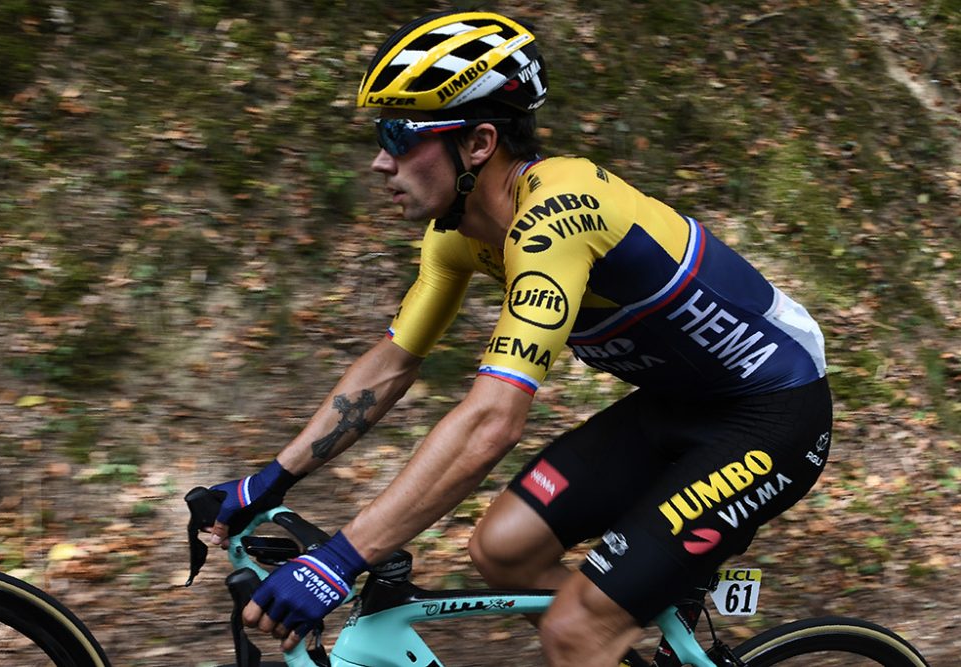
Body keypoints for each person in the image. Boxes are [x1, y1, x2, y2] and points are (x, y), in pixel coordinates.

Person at [202, 10, 833, 666]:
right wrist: (269, 481)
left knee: (574, 631)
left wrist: (338, 560)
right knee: (502, 549)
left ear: (478, 144)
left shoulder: (559, 215)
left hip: (772, 413)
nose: (379, 161)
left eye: (399, 134)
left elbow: (491, 424)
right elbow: (392, 362)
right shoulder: (456, 236)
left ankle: (597, 633)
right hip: (676, 403)